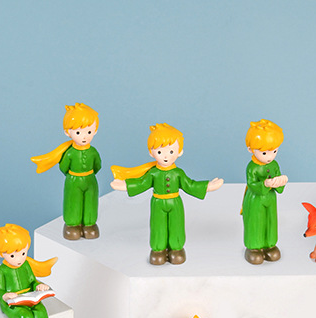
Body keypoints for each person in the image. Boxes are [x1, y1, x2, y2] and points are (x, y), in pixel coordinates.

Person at [111, 123, 223, 265]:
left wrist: (207, 186)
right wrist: (126, 185)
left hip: (175, 203)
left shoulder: (178, 173)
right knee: (158, 226)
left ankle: (176, 249)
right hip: (158, 203)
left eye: (171, 151)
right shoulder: (153, 173)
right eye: (159, 152)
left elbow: (190, 185)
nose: (165, 156)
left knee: (177, 225)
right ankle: (158, 250)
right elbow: (141, 183)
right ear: (151, 153)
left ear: (179, 152)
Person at [30, 103, 102, 240]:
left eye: (88, 132)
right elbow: (64, 167)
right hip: (73, 181)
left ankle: (89, 224)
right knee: (73, 201)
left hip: (90, 180)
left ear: (95, 131)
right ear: (68, 132)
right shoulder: (70, 153)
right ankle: (72, 225)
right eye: (78, 132)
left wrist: (89, 175)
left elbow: (97, 165)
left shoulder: (93, 152)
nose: (84, 137)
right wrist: (72, 176)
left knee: (91, 201)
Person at [241, 120, 288, 264]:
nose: (270, 157)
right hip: (255, 200)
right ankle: (254, 247)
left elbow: (278, 183)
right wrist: (265, 184)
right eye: (264, 153)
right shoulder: (252, 167)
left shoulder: (274, 165)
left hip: (270, 198)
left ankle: (270, 244)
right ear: (251, 149)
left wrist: (280, 182)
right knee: (256, 221)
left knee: (271, 220)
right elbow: (252, 184)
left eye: (274, 151)